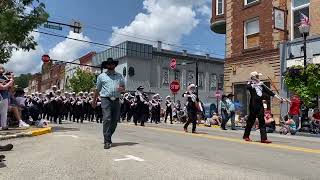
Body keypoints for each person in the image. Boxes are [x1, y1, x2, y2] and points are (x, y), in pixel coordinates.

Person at [93, 58, 125, 150]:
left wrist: (122, 89)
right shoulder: (101, 76)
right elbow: (97, 89)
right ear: (106, 66)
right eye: (109, 64)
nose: (110, 66)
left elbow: (123, 88)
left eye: (112, 64)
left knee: (114, 121)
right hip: (105, 99)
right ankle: (107, 141)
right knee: (107, 118)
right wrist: (94, 100)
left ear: (115, 65)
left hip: (116, 100)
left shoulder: (119, 76)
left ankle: (108, 136)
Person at [243, 71, 284, 144]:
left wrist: (279, 98)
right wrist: (257, 84)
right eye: (257, 76)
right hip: (253, 104)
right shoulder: (250, 83)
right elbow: (248, 87)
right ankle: (246, 136)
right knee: (250, 121)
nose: (258, 78)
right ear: (253, 77)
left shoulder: (261, 85)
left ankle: (264, 138)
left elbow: (270, 92)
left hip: (260, 104)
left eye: (258, 76)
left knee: (262, 121)